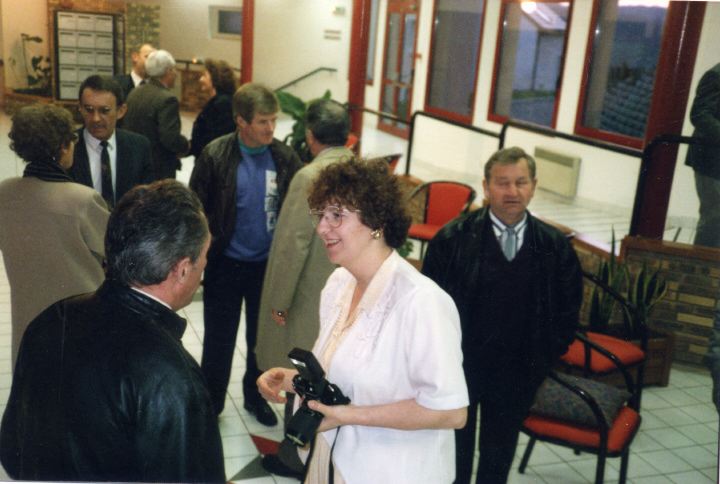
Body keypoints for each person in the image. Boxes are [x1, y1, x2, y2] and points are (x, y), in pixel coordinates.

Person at [257, 159, 468, 483]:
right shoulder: (338, 284)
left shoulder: (422, 302)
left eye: (336, 215)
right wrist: (291, 380)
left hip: (391, 472)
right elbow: (345, 377)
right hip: (331, 458)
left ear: (376, 222)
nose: (322, 228)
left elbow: (451, 412)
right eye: (321, 215)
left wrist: (348, 416)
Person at [0, 180, 225, 483]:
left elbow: (13, 453)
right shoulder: (172, 377)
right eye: (204, 258)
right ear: (182, 269)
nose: (205, 266)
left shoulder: (51, 319)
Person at [422, 146, 583, 484]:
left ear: (534, 186)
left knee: (498, 457)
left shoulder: (554, 247)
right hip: (459, 369)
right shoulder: (451, 240)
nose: (512, 192)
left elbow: (567, 312)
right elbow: (427, 311)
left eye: (521, 182)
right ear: (486, 186)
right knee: (453, 455)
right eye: (502, 183)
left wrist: (540, 361)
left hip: (518, 371)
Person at [189, 82, 302, 424]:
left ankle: (256, 398)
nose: (271, 128)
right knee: (218, 340)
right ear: (241, 121)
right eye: (263, 121)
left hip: (266, 268)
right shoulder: (215, 155)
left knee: (260, 340)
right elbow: (195, 209)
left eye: (274, 120)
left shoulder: (285, 158)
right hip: (224, 263)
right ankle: (212, 404)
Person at [256, 98, 353, 479]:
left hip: (311, 295)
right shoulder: (361, 171)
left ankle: (294, 458)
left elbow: (292, 246)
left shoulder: (310, 177)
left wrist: (279, 304)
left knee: (302, 375)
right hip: (352, 293)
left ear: (310, 135)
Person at [0, 104, 108, 369]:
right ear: (63, 146)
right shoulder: (83, 200)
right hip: (79, 322)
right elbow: (118, 252)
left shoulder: (5, 194)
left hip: (28, 323)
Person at [69, 75, 154, 208]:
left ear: (121, 111)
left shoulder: (139, 146)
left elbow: (147, 200)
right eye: (89, 110)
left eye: (104, 111)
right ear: (80, 108)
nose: (96, 118)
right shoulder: (67, 147)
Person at [124, 49, 189, 180]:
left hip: (135, 163)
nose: (176, 74)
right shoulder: (168, 100)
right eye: (174, 69)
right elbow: (170, 138)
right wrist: (185, 145)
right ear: (167, 71)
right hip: (159, 168)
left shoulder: (134, 92)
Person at [685, 62, 720, 248]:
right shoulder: (715, 75)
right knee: (714, 218)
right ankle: (699, 262)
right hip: (712, 160)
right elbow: (699, 114)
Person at [190, 58, 237, 157]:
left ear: (216, 78)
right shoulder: (218, 102)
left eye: (204, 75)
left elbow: (216, 139)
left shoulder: (223, 104)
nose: (201, 79)